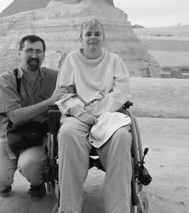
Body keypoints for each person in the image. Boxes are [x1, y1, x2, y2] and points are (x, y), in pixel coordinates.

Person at [0, 34, 67, 201]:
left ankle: (37, 184)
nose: (34, 55)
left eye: (38, 51)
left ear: (44, 55)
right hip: (9, 137)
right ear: (19, 53)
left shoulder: (54, 78)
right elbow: (15, 117)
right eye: (29, 50)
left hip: (37, 138)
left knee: (29, 165)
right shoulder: (6, 80)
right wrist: (50, 101)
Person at [56, 18, 133, 213]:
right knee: (67, 134)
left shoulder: (114, 60)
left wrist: (97, 110)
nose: (93, 38)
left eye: (97, 34)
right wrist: (79, 111)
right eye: (88, 34)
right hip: (77, 115)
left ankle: (118, 209)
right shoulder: (72, 59)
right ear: (80, 38)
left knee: (122, 137)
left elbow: (122, 93)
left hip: (108, 114)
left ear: (103, 37)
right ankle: (70, 208)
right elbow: (63, 91)